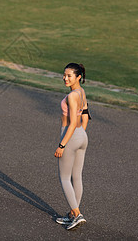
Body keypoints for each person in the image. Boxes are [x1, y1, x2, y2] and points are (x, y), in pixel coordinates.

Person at [54, 63, 91, 230]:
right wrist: (80, 135)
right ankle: (72, 215)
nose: (65, 78)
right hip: (82, 137)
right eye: (64, 75)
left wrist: (62, 145)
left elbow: (73, 122)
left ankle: (77, 214)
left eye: (69, 75)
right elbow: (84, 117)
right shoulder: (81, 92)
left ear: (78, 77)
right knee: (77, 176)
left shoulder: (71, 97)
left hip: (70, 136)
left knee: (64, 177)